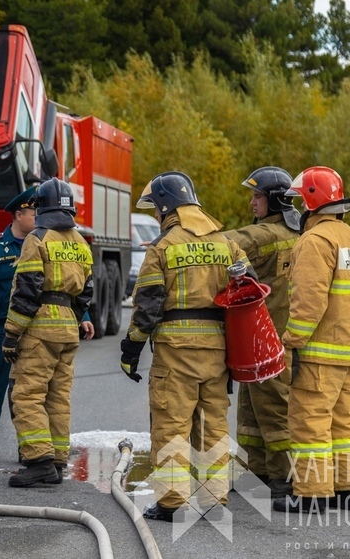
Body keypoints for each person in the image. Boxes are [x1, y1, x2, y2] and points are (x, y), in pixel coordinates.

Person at [120, 171, 253, 522]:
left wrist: (130, 351)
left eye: (156, 211)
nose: (155, 217)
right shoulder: (226, 244)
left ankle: (172, 502)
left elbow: (147, 305)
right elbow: (250, 289)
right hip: (217, 351)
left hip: (175, 353)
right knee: (213, 426)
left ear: (166, 207)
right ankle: (213, 498)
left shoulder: (163, 247)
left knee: (172, 425)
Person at [0, 187, 95, 466]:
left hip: (31, 329)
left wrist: (82, 317)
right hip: (6, 326)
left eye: (39, 211)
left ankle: (33, 454)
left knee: (27, 393)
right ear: (18, 214)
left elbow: (61, 290)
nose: (38, 217)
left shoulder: (41, 240)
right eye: (32, 212)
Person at [273, 166, 350, 513]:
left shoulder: (316, 241)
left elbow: (308, 300)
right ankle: (347, 491)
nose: (299, 209)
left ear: (313, 202)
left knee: (310, 420)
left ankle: (313, 494)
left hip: (318, 355)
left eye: (301, 201)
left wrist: (290, 342)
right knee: (343, 421)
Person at [3, 178, 94, 487]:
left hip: (40, 330)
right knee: (58, 398)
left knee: (27, 396)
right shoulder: (81, 243)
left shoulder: (37, 239)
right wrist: (72, 318)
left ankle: (39, 461)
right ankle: (56, 460)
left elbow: (27, 291)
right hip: (68, 329)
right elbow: (86, 293)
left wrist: (12, 334)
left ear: (41, 207)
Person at [225, 167, 300, 498]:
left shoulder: (266, 235)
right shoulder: (299, 233)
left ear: (273, 201)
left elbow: (228, 242)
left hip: (265, 335)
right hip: (276, 334)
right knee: (253, 406)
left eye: (257, 196)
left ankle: (283, 476)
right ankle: (257, 470)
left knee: (271, 406)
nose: (252, 202)